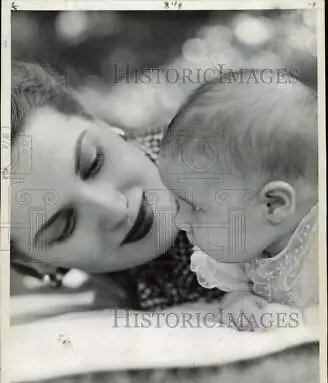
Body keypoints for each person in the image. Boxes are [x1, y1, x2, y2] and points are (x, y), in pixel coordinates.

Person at [10, 60, 225, 311]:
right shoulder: (109, 295)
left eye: (94, 164)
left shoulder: (237, 161)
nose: (116, 209)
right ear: (37, 264)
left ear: (105, 125)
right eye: (65, 227)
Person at [158, 69, 319, 329]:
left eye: (197, 207)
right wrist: (238, 299)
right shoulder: (244, 249)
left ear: (273, 204)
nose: (181, 221)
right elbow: (238, 292)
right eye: (179, 204)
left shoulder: (316, 244)